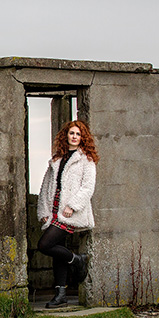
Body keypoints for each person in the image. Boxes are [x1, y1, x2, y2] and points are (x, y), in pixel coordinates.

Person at [36, 119, 98, 308]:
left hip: (68, 213)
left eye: (78, 134)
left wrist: (72, 205)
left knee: (44, 244)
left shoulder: (86, 159)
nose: (74, 137)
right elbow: (46, 186)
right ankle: (60, 294)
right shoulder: (57, 159)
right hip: (53, 211)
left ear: (82, 138)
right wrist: (44, 211)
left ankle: (77, 260)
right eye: (72, 133)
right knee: (57, 252)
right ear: (66, 136)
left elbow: (88, 188)